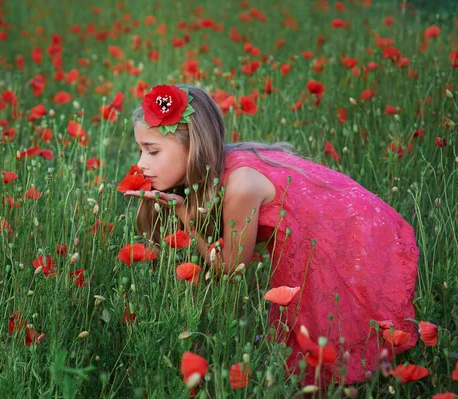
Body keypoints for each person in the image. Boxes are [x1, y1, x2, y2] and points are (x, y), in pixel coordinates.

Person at [122, 83, 420, 387]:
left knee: (336, 337)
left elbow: (231, 267)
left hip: (354, 233)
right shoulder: (217, 167)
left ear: (193, 147)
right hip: (336, 226)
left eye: (152, 151)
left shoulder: (241, 185)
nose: (142, 164)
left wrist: (185, 215)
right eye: (140, 149)